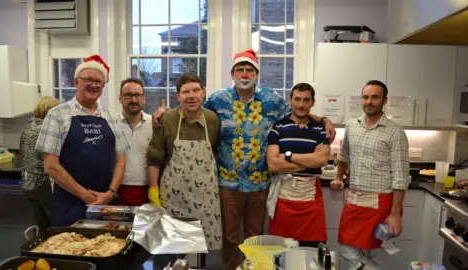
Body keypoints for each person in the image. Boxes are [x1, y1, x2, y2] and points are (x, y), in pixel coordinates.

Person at [152, 49, 336, 270]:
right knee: (229, 237)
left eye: (250, 70)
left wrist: (324, 119)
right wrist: (163, 113)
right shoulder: (218, 100)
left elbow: (298, 112)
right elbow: (191, 108)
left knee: (254, 237)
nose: (245, 74)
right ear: (232, 73)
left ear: (256, 74)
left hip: (260, 183)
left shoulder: (271, 99)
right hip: (227, 184)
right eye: (240, 70)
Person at [35, 54, 129, 226]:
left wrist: (109, 193)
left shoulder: (112, 118)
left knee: (107, 249)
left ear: (103, 86)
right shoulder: (57, 115)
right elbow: (50, 166)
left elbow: (121, 161)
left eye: (98, 81)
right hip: (69, 205)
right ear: (76, 82)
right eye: (88, 79)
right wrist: (85, 195)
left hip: (107, 205)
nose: (93, 85)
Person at [330, 80, 410, 269]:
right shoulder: (352, 125)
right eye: (366, 97)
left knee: (375, 252)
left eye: (375, 97)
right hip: (354, 199)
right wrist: (339, 177)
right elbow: (344, 155)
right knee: (345, 247)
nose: (369, 101)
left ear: (385, 100)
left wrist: (396, 213)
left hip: (381, 202)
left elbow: (401, 177)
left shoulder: (395, 132)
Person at [147, 72, 222, 270]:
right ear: (177, 95)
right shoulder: (167, 119)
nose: (191, 96)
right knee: (170, 252)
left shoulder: (213, 120)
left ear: (204, 93)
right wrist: (153, 191)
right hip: (173, 197)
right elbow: (154, 158)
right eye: (185, 92)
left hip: (204, 199)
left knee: (199, 254)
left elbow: (214, 152)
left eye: (196, 90)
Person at [266, 83, 330, 248]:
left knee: (312, 252)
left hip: (311, 200)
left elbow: (322, 160)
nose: (301, 105)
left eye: (306, 100)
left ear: (313, 102)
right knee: (280, 252)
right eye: (297, 99)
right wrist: (308, 162)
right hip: (284, 198)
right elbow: (273, 164)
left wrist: (288, 156)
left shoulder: (320, 129)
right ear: (290, 101)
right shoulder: (278, 127)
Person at [19, 96, 61, 231]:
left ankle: (35, 249)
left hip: (27, 181)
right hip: (43, 182)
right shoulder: (46, 130)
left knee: (37, 225)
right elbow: (52, 159)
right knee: (56, 223)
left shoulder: (28, 127)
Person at [116, 78, 153, 206]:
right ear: (120, 98)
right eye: (128, 95)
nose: (133, 100)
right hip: (117, 190)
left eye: (137, 95)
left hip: (148, 190)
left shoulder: (154, 124)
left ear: (143, 98)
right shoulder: (110, 124)